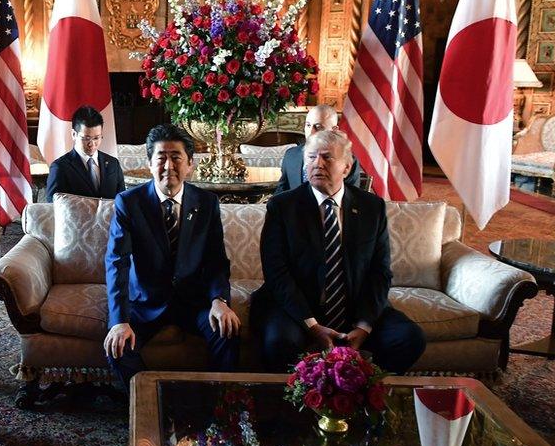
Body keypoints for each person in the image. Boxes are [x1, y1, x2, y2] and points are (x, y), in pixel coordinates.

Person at [250, 129, 425, 375]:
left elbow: (380, 272)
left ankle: (361, 391)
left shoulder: (371, 207)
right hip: (298, 311)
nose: (317, 164)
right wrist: (312, 326)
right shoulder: (283, 206)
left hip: (354, 308)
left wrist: (364, 328)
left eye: (327, 157)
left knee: (409, 338)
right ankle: (300, 403)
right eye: (311, 157)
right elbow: (277, 274)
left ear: (346, 167)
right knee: (279, 342)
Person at [104, 123, 241, 387]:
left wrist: (218, 300)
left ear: (190, 163)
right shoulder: (129, 202)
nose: (168, 166)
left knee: (227, 333)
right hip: (145, 302)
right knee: (117, 347)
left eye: (176, 157)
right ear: (149, 163)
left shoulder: (207, 203)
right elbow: (117, 262)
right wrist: (119, 321)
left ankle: (218, 409)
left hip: (193, 300)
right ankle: (156, 403)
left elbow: (215, 259)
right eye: (161, 158)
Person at [274, 104, 362, 193]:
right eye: (308, 125)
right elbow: (281, 192)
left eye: (318, 127)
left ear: (334, 130)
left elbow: (351, 198)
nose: (311, 132)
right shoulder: (291, 155)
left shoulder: (345, 160)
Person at [45, 105, 125, 202]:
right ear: (74, 134)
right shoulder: (60, 167)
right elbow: (53, 207)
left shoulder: (113, 164)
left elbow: (122, 201)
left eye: (96, 138)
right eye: (86, 138)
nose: (92, 144)